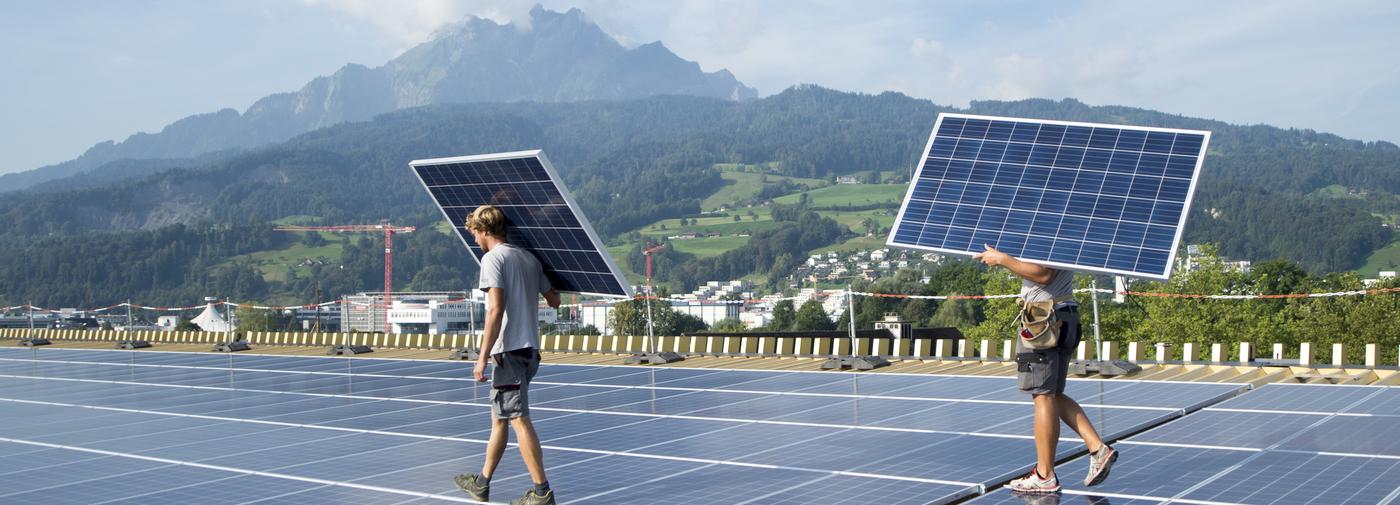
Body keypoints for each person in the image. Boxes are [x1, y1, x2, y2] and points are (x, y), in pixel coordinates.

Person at [973, 244, 1118, 494]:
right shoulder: (1064, 229)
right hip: (1066, 315)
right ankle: (1097, 448)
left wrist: (1003, 259)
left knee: (1042, 395)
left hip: (1044, 321)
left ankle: (1044, 475)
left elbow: (1043, 274)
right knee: (1053, 394)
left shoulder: (1049, 234)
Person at [454, 205, 561, 505]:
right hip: (530, 352)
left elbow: (495, 309)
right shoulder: (528, 258)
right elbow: (555, 300)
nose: (474, 237)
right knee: (501, 418)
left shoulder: (492, 259)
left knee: (518, 418)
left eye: (474, 231)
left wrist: (481, 356)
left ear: (485, 230)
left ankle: (541, 493)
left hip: (509, 352)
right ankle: (482, 483)